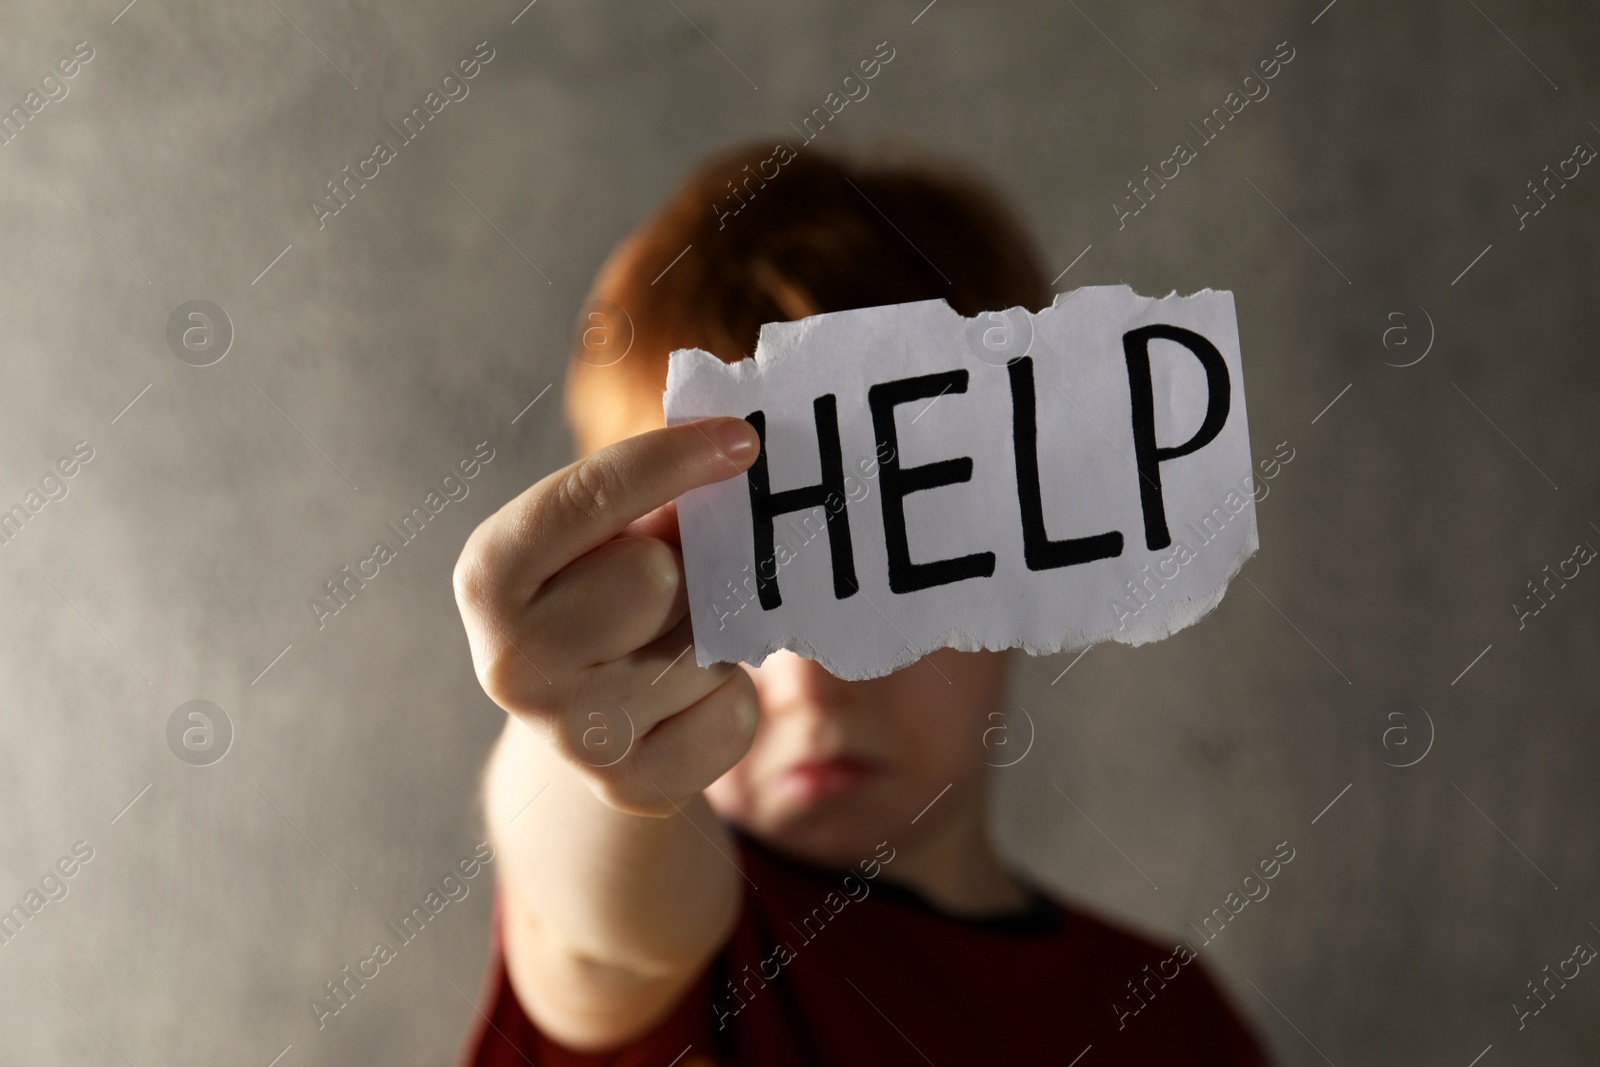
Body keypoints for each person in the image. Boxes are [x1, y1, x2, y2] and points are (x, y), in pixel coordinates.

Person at [451, 142, 1271, 1066]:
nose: (817, 676)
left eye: (893, 564)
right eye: (741, 577)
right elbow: (592, 916)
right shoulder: (689, 945)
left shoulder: (1173, 1022)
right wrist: (581, 732)